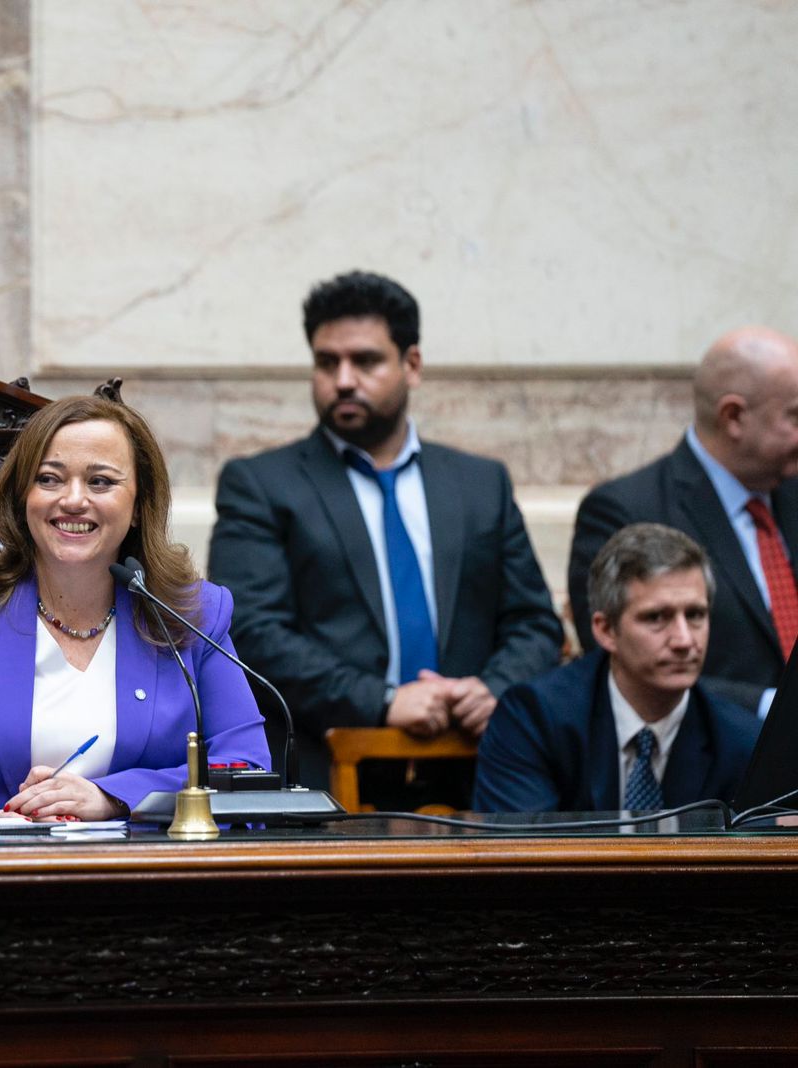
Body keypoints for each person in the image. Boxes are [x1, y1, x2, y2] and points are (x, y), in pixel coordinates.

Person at [0, 394, 270, 820]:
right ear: (24, 499)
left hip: (147, 883)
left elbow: (247, 772)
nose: (74, 499)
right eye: (49, 478)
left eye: (100, 481)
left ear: (138, 505)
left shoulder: (189, 614)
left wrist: (114, 799)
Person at [208, 270, 563, 791]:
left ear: (412, 364)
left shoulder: (479, 484)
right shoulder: (261, 485)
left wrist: (492, 689)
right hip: (328, 772)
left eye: (366, 360)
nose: (344, 380)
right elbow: (253, 631)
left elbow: (534, 622)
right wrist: (383, 699)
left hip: (481, 767)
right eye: (327, 362)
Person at [568, 326, 798, 717]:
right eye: (795, 416)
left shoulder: (791, 492)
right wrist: (772, 709)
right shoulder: (624, 511)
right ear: (734, 417)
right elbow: (625, 670)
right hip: (712, 764)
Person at [475, 524, 760, 812]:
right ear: (606, 629)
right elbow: (525, 852)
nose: (684, 640)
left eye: (695, 615)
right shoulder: (533, 720)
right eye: (657, 617)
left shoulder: (741, 742)